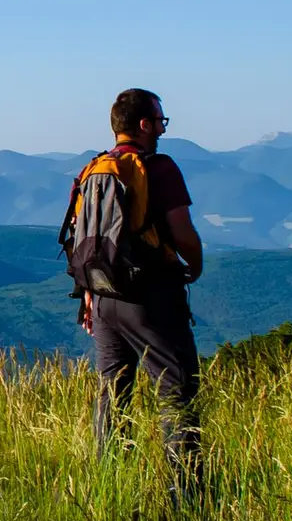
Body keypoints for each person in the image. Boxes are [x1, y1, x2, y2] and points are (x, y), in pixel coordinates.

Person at [78, 89, 206, 496]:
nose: (163, 129)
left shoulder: (94, 169)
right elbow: (181, 230)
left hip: (102, 297)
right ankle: (186, 500)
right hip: (149, 294)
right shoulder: (159, 168)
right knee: (177, 390)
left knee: (113, 394)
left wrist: (88, 294)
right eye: (161, 121)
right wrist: (196, 262)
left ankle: (109, 491)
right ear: (144, 124)